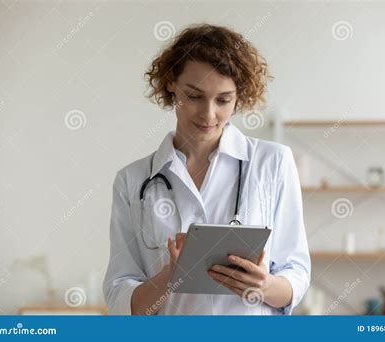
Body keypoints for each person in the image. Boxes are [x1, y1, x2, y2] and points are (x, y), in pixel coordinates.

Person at [102, 23, 310, 315]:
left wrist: (264, 286)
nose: (208, 114)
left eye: (223, 100)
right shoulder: (132, 180)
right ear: (171, 84)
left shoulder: (273, 162)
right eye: (195, 96)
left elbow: (296, 272)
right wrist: (168, 279)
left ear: (240, 96)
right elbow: (119, 296)